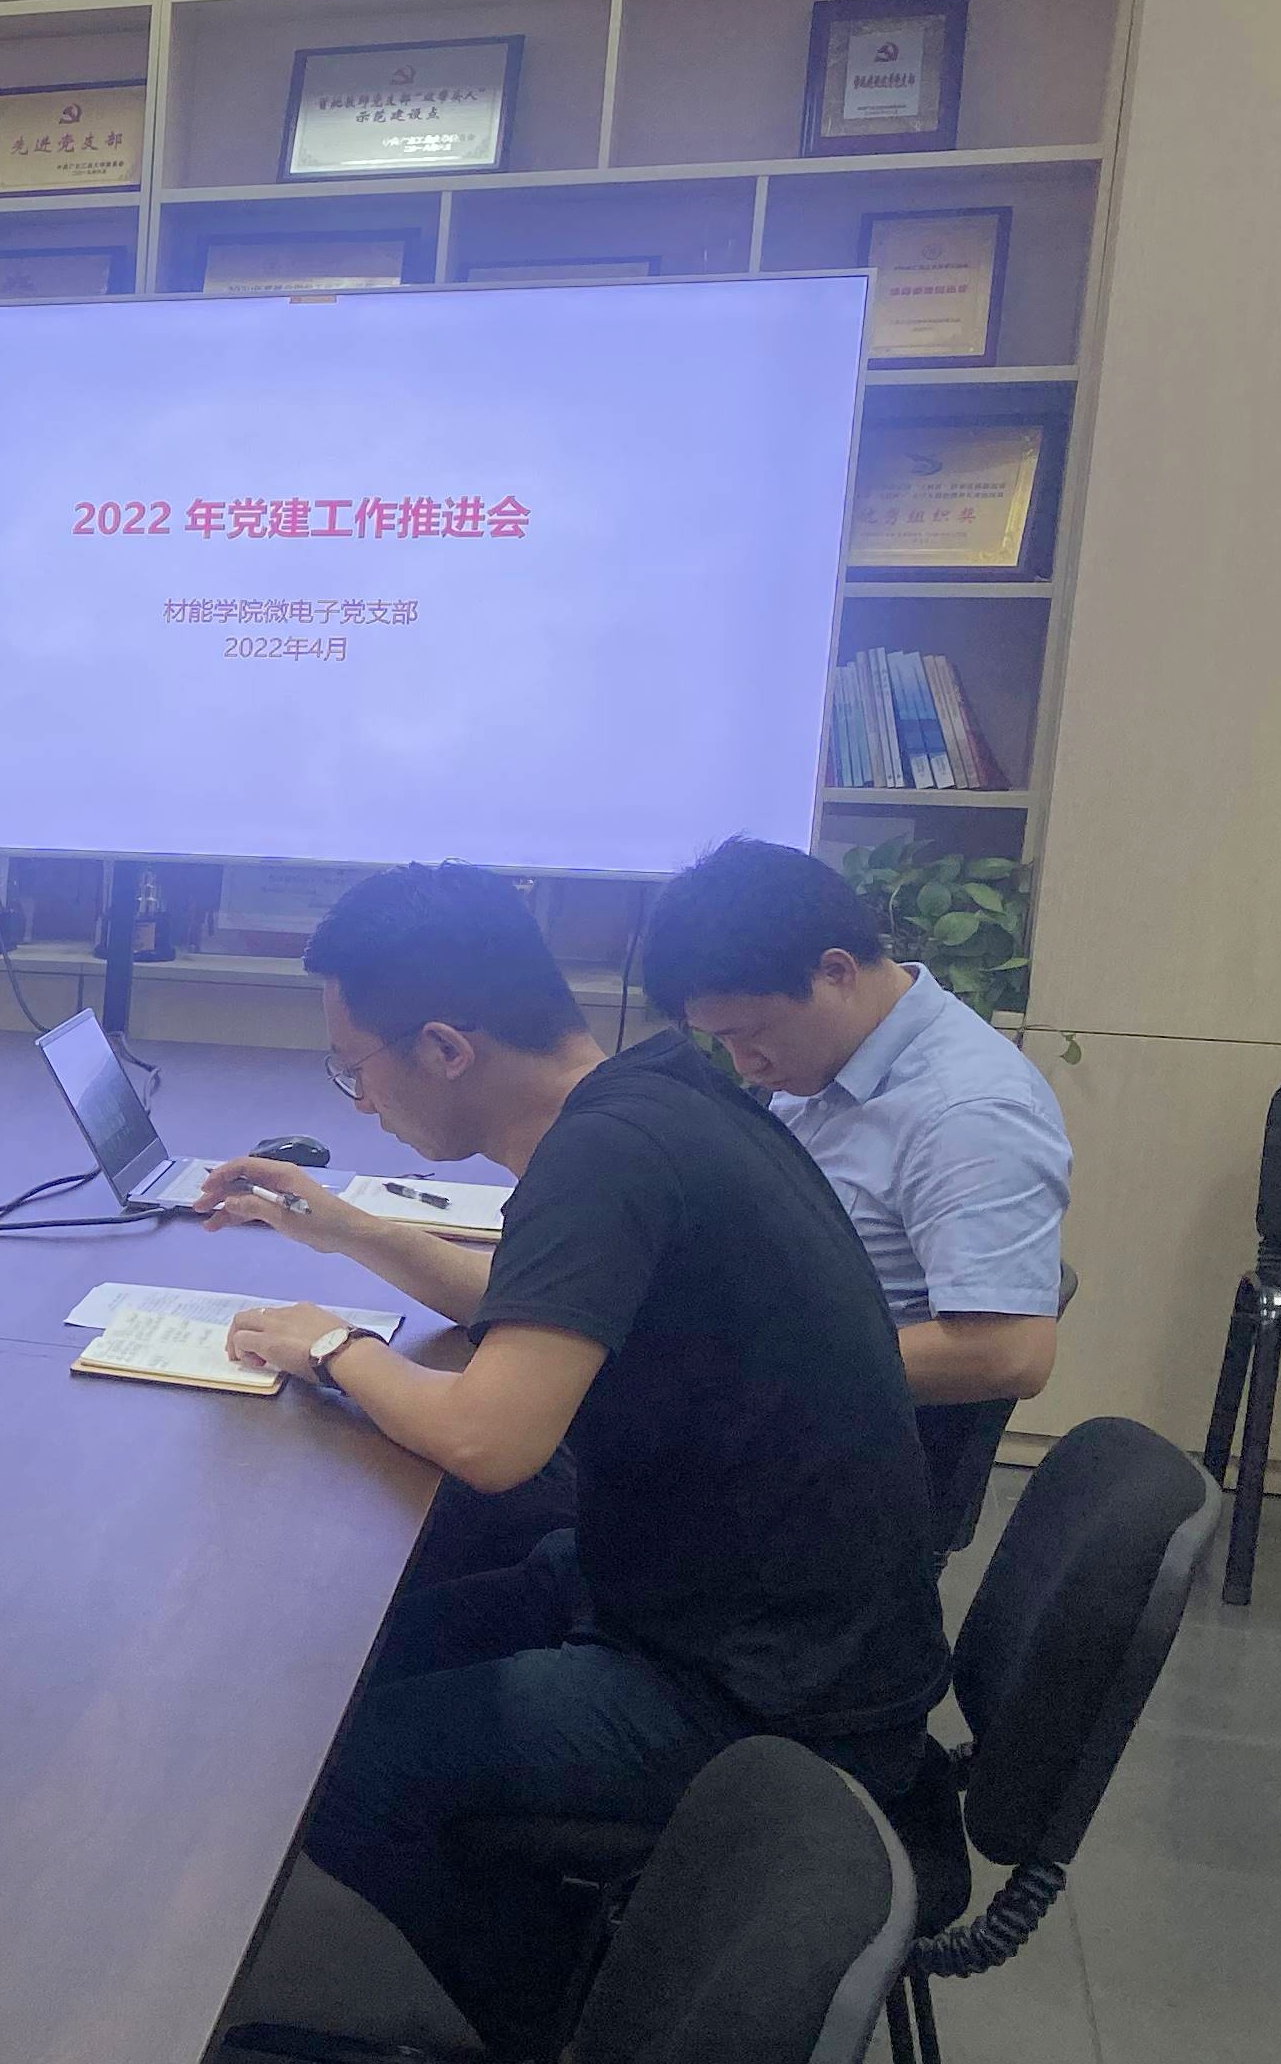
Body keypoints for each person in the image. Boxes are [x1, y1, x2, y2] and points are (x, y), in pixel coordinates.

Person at [190, 865, 947, 2051]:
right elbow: (540, 1303)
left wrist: (331, 1347)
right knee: (334, 1672)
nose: (360, 1099)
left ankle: (572, 2023)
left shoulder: (604, 1160)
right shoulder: (652, 1095)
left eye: (357, 1067)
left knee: (334, 1769)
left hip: (760, 1689)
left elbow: (487, 1440)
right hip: (722, 1601)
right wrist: (341, 1228)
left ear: (447, 1048)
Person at [642, 836, 1069, 1546]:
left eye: (751, 1035)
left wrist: (747, 1366)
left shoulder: (968, 1113)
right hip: (765, 1424)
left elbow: (1010, 1351)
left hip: (822, 1483)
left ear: (835, 971)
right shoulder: (829, 1058)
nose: (745, 1064)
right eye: (721, 1040)